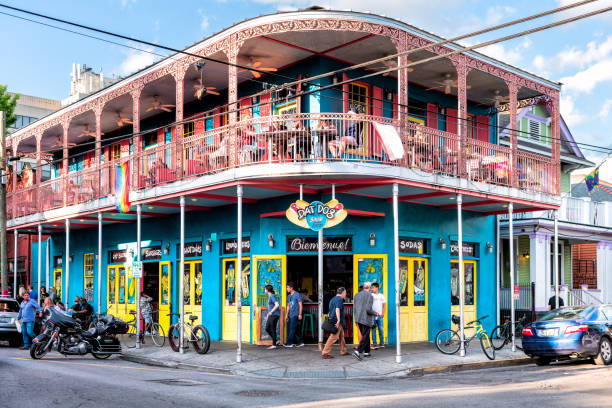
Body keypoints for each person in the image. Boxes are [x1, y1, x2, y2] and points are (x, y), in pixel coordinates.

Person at [352, 281, 378, 361]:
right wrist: (375, 313)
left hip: (358, 319)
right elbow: (368, 309)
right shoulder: (370, 296)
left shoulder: (356, 295)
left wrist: (356, 319)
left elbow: (355, 308)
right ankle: (357, 351)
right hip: (366, 319)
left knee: (365, 335)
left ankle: (367, 352)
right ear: (369, 288)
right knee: (366, 336)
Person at [322, 287, 348, 359]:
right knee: (333, 337)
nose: (345, 294)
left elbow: (330, 310)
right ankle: (325, 352)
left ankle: (343, 350)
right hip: (336, 320)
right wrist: (338, 320)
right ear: (342, 293)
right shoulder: (339, 299)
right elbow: (337, 309)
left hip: (333, 319)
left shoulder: (333, 299)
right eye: (345, 293)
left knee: (341, 335)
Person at [284, 282, 304, 348]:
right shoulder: (289, 296)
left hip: (295, 314)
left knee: (292, 329)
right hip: (290, 314)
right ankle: (300, 342)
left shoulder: (297, 295)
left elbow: (300, 305)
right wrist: (286, 315)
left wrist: (300, 314)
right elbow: (288, 306)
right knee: (295, 328)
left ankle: (289, 343)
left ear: (291, 288)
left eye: (287, 287)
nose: (286, 289)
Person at [264, 284, 281, 349]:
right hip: (272, 315)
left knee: (272, 329)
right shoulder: (270, 296)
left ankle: (274, 344)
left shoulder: (272, 296)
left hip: (274, 315)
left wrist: (270, 312)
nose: (264, 290)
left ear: (267, 290)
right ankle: (276, 341)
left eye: (265, 289)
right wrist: (269, 313)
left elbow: (277, 305)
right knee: (267, 328)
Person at [370, 282, 386, 349]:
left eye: (373, 287)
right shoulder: (371, 295)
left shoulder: (381, 296)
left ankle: (382, 342)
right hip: (373, 315)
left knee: (380, 329)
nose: (372, 289)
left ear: (377, 288)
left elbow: (384, 305)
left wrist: (383, 313)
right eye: (372, 287)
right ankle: (374, 343)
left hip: (379, 315)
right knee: (373, 329)